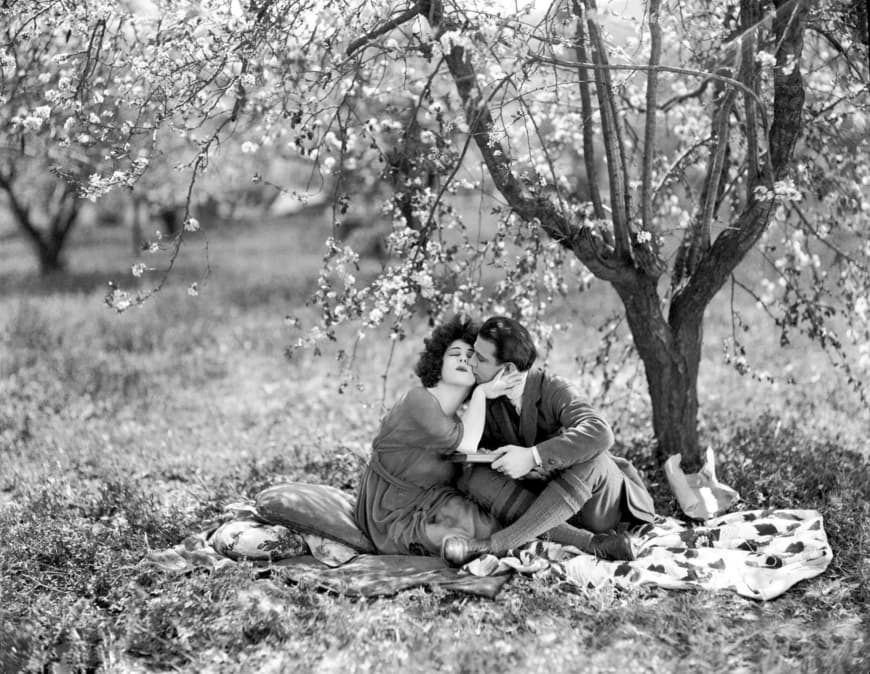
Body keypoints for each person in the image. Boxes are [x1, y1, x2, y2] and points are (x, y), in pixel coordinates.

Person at [441, 316, 656, 566]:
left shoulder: (554, 388)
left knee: (595, 459)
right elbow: (464, 447)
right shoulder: (487, 395)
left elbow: (600, 432)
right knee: (474, 478)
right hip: (546, 506)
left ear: (508, 370)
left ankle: (493, 546)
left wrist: (533, 457)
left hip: (599, 506)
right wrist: (479, 397)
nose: (470, 361)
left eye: (480, 357)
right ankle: (596, 545)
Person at [354, 316, 523, 557]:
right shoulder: (418, 400)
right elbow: (465, 445)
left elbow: (466, 448)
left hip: (434, 504)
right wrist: (482, 394)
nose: (464, 358)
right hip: (389, 514)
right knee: (454, 541)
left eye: (472, 355)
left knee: (494, 527)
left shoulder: (458, 421)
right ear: (438, 363)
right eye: (455, 353)